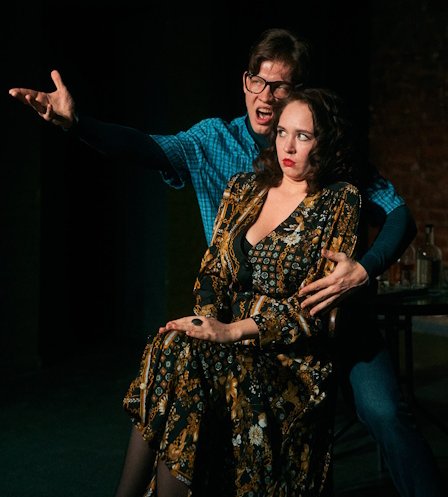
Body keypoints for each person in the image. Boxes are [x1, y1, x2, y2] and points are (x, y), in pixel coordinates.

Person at [8, 27, 445, 496]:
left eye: (281, 87)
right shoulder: (214, 144)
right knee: (177, 356)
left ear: (300, 95)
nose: (266, 96)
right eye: (259, 81)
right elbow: (146, 148)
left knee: (383, 412)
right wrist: (77, 124)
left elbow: (398, 214)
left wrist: (363, 268)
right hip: (238, 316)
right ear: (245, 81)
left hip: (328, 309)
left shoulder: (334, 169)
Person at [119, 88, 362, 496]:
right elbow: (212, 270)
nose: (288, 146)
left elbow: (312, 309)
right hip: (225, 338)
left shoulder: (339, 201)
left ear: (325, 141)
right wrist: (207, 324)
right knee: (174, 345)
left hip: (287, 359)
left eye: (303, 136)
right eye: (282, 132)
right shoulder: (243, 187)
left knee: (184, 357)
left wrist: (232, 332)